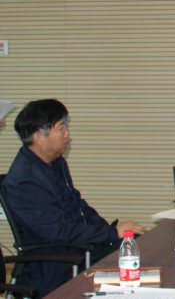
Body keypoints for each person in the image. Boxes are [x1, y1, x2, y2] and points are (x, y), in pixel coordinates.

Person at [2, 99, 147, 296]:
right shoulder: (25, 180)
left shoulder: (55, 162)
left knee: (138, 242)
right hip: (56, 261)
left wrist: (109, 232)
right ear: (38, 137)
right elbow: (58, 231)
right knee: (135, 253)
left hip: (77, 247)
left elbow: (78, 206)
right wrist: (112, 233)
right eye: (61, 127)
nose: (67, 133)